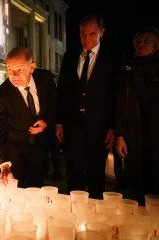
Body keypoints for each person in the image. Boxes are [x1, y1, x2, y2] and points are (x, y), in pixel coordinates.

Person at [56, 14, 123, 198]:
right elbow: (62, 91)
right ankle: (74, 211)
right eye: (83, 34)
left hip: (99, 127)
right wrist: (60, 122)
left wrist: (113, 127)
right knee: (74, 172)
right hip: (73, 126)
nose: (87, 39)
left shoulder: (112, 59)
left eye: (92, 34)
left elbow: (116, 95)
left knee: (96, 175)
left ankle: (95, 214)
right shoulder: (70, 57)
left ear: (101, 32)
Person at [0, 47, 56, 188]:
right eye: (10, 70)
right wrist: (3, 164)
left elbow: (55, 105)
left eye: (20, 69)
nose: (14, 75)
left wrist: (46, 121)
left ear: (32, 67)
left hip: (40, 146)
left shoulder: (45, 79)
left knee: (37, 188)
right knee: (15, 191)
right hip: (15, 149)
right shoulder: (2, 95)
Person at [116, 27, 159, 204]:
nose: (141, 45)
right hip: (135, 133)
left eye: (146, 41)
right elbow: (120, 105)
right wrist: (120, 135)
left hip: (155, 131)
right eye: (139, 42)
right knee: (137, 183)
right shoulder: (129, 70)